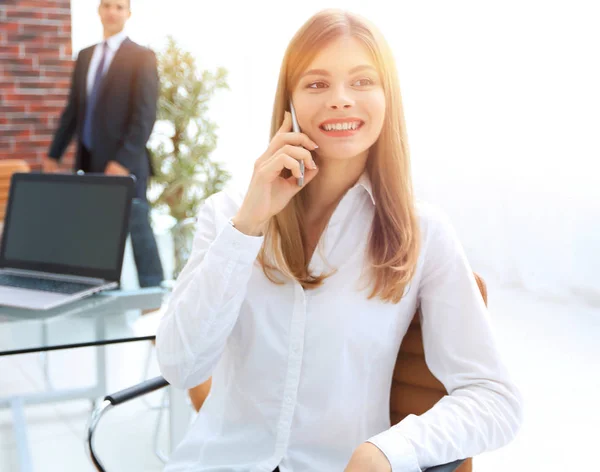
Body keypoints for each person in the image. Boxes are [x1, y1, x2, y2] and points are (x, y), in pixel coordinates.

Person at [155, 9, 523, 472]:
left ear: (387, 97)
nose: (341, 100)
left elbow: (495, 399)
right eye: (316, 84)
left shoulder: (422, 230)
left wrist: (389, 451)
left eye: (363, 81)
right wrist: (248, 224)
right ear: (287, 102)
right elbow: (179, 367)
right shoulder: (228, 213)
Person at [44, 0, 164, 288]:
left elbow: (145, 115)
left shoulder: (142, 56)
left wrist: (122, 161)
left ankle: (153, 295)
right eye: (107, 5)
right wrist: (54, 154)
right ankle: (106, 291)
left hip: (127, 162)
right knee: (98, 231)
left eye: (120, 7)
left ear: (128, 14)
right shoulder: (86, 56)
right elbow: (74, 110)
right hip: (90, 160)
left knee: (138, 227)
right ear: (99, 11)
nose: (113, 11)